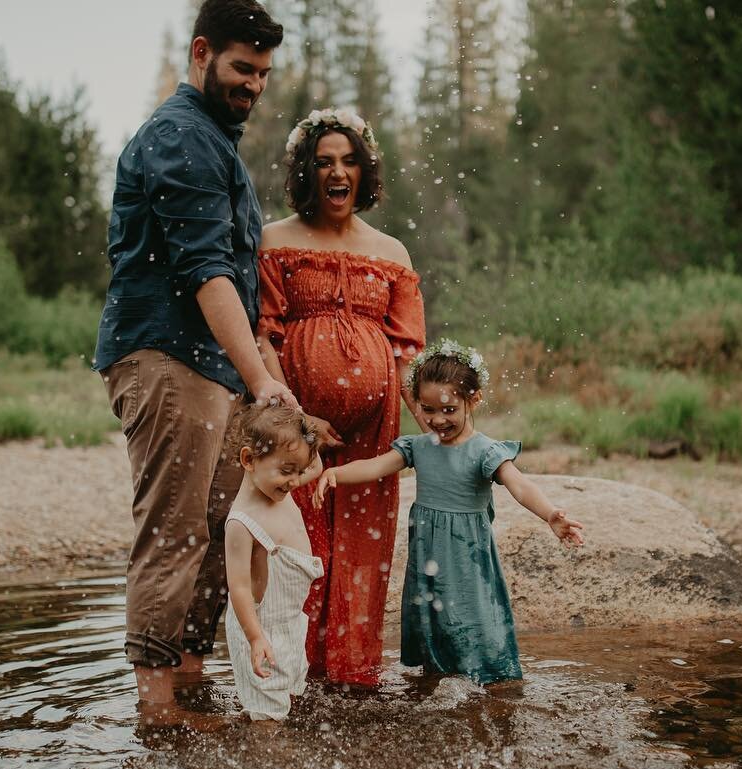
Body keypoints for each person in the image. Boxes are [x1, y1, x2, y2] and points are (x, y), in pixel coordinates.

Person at [93, 0, 296, 715]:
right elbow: (208, 273)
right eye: (244, 68)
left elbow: (239, 280)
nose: (255, 85)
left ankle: (189, 674)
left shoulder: (215, 142)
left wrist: (259, 372)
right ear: (203, 52)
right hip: (165, 357)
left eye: (265, 73)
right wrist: (261, 377)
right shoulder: (179, 137)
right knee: (174, 531)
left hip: (211, 367)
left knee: (222, 529)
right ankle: (156, 709)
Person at [256, 106, 427, 687]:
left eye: (350, 161)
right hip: (294, 425)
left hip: (374, 432)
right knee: (296, 547)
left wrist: (436, 423)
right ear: (306, 169)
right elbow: (264, 333)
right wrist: (299, 419)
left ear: (365, 170)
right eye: (324, 161)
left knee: (362, 549)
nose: (338, 171)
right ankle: (289, 677)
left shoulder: (392, 251)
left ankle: (352, 678)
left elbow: (408, 354)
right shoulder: (275, 240)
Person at [313, 340, 585, 684]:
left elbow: (519, 484)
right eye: (428, 409)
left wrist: (549, 515)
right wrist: (336, 473)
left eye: (449, 410)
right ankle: (437, 678)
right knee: (433, 615)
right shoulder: (418, 447)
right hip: (428, 553)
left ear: (474, 400)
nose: (438, 420)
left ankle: (491, 680)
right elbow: (377, 466)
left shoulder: (484, 450)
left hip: (467, 556)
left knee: (473, 615)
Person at [223, 403, 325, 721]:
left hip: (290, 623)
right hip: (261, 628)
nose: (296, 481)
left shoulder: (279, 488)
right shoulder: (242, 522)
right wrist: (255, 638)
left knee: (285, 701)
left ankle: (267, 748)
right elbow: (238, 588)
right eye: (287, 471)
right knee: (266, 712)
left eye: (299, 471)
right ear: (248, 460)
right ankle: (265, 760)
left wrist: (298, 413)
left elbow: (316, 465)